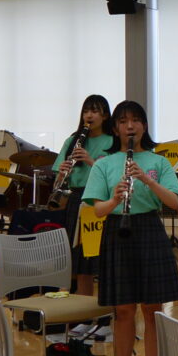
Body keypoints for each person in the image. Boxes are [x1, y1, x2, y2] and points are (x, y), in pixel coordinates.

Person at [83, 100, 178, 356]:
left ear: (144, 126)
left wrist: (146, 180)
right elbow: (98, 210)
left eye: (136, 120)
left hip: (149, 228)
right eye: (124, 121)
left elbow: (174, 202)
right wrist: (115, 199)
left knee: (152, 309)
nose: (130, 126)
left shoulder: (158, 162)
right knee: (123, 309)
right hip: (117, 230)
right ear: (115, 128)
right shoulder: (103, 164)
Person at [52, 95, 113, 297]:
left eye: (94, 111)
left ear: (105, 116)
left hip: (101, 200)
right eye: (86, 111)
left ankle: (106, 309)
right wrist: (62, 172)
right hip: (76, 199)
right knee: (81, 261)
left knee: (103, 258)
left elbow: (114, 177)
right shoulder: (73, 141)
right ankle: (84, 309)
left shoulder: (112, 141)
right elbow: (58, 183)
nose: (89, 115)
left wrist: (90, 160)